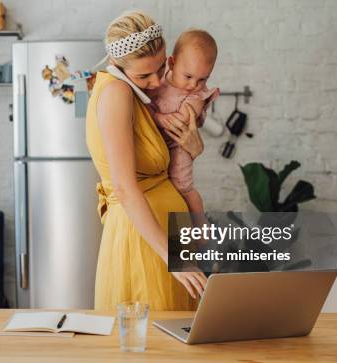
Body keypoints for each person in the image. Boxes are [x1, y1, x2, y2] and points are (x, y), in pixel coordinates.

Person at [86, 10, 208, 311]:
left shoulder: (135, 92)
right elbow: (125, 188)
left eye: (160, 69)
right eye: (144, 75)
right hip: (145, 243)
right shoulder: (116, 92)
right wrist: (171, 257)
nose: (155, 82)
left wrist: (193, 147)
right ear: (117, 65)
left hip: (164, 239)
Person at [147, 29, 219, 217]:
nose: (194, 85)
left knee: (183, 188)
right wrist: (158, 118)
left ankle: (201, 230)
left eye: (202, 79)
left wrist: (157, 117)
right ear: (171, 63)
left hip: (178, 146)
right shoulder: (157, 81)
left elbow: (180, 122)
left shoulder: (196, 96)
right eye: (188, 76)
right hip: (155, 144)